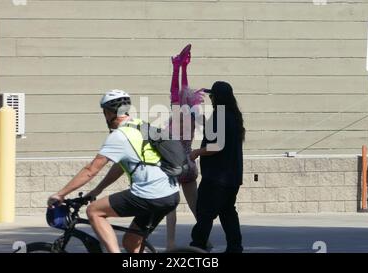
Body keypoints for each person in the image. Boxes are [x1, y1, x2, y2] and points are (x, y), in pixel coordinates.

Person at [47, 89, 180, 253]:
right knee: (131, 242)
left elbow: (90, 170)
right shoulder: (140, 125)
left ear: (109, 112)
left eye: (104, 112)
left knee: (93, 211)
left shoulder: (119, 136)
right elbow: (120, 166)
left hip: (150, 194)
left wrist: (60, 194)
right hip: (170, 194)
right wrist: (97, 190)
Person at [189, 81, 245, 253]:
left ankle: (197, 247)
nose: (210, 98)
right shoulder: (234, 116)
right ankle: (235, 248)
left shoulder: (220, 115)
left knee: (205, 213)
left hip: (216, 177)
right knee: (228, 213)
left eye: (212, 95)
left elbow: (217, 145)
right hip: (232, 177)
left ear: (217, 98)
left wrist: (196, 152)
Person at [165, 44, 206, 250]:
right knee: (196, 206)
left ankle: (170, 243)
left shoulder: (175, 117)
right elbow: (183, 90)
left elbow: (176, 90)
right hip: (189, 163)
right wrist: (184, 67)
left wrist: (177, 68)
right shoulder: (191, 117)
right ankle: (203, 239)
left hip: (173, 163)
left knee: (170, 206)